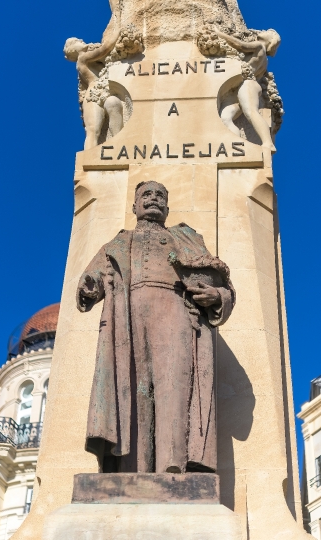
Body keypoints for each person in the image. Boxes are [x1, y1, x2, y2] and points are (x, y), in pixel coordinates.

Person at [76, 181, 235, 474]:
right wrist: (89, 286)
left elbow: (221, 283)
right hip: (127, 318)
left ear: (168, 207)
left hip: (175, 314)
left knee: (173, 388)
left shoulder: (187, 239)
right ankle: (131, 470)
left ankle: (171, 468)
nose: (153, 199)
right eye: (146, 195)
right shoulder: (118, 243)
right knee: (132, 390)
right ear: (134, 206)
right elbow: (94, 278)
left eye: (160, 195)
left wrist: (218, 297)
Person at [64, 0, 123, 150]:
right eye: (77, 41)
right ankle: (90, 159)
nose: (81, 41)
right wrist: (118, 14)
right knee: (93, 131)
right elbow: (107, 47)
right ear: (72, 50)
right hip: (93, 96)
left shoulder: (87, 56)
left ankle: (117, 147)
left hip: (107, 89)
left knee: (114, 104)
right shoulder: (82, 59)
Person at [217, 28, 281, 151]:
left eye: (267, 31)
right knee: (225, 117)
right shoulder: (264, 60)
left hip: (248, 84)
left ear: (270, 40)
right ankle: (235, 145)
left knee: (251, 112)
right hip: (241, 85)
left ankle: (268, 143)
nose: (262, 30)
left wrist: (218, 33)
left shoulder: (259, 46)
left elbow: (241, 45)